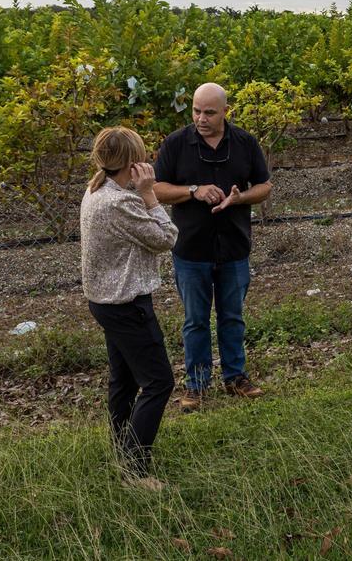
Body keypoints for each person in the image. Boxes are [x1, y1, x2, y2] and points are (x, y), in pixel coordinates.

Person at [153, 82, 272, 412]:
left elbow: (264, 186)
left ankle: (235, 377)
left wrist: (240, 198)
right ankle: (197, 385)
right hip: (192, 250)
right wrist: (193, 190)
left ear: (225, 112)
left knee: (232, 317)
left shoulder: (245, 143)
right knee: (195, 320)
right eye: (195, 110)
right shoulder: (177, 143)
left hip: (234, 247)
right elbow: (158, 189)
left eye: (209, 112)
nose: (200, 118)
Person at [80, 126, 179, 491]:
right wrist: (150, 194)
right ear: (133, 162)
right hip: (126, 305)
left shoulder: (98, 189)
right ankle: (135, 473)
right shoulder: (121, 202)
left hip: (105, 302)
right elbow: (166, 239)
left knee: (122, 380)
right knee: (158, 382)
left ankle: (123, 450)